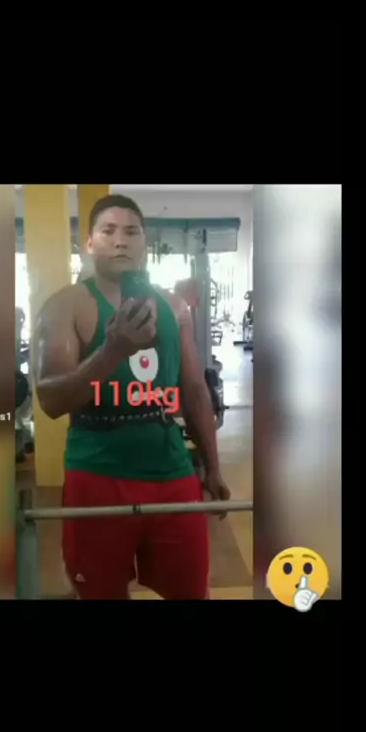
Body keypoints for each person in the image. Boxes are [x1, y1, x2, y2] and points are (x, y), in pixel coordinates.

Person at [33, 194, 230, 599]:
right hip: (97, 474)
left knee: (192, 591)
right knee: (100, 593)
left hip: (172, 470)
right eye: (108, 231)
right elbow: (50, 400)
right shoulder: (65, 306)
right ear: (89, 244)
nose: (120, 240)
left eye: (131, 231)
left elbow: (194, 391)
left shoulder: (175, 308)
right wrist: (113, 350)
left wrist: (213, 466)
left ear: (144, 241)